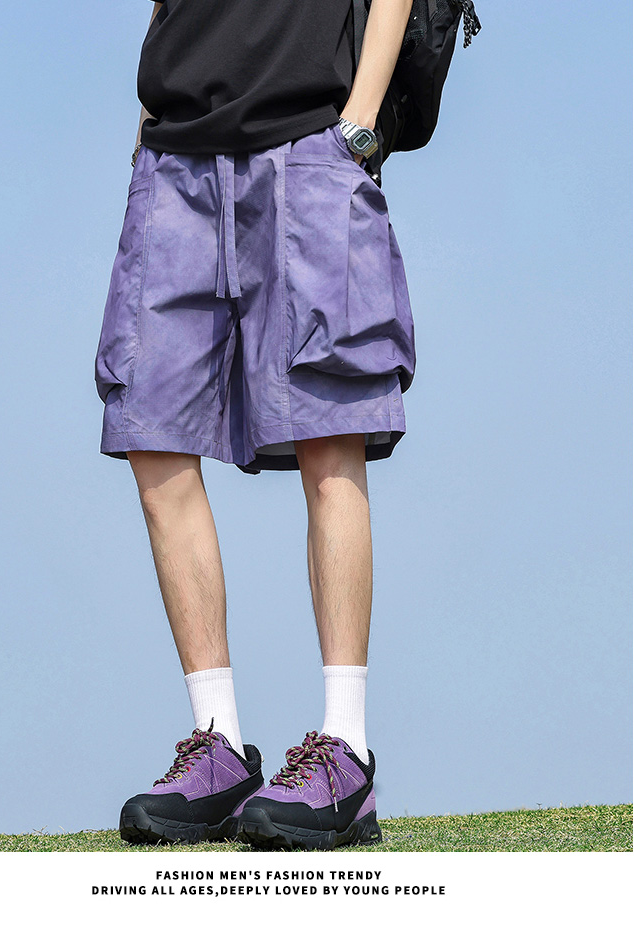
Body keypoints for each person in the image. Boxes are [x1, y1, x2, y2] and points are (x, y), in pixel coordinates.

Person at [94, 0, 416, 851]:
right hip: (174, 157)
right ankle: (219, 748)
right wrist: (145, 128)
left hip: (309, 142)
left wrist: (357, 129)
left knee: (330, 432)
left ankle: (345, 747)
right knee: (151, 434)